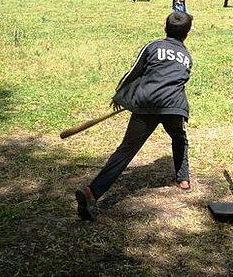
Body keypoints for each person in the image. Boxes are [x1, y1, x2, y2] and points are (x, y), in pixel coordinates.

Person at [75, 12, 194, 221]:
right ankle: (183, 179)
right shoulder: (186, 57)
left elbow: (134, 72)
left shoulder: (153, 46)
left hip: (146, 104)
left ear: (164, 27)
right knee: (179, 138)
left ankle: (92, 192)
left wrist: (120, 94)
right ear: (187, 33)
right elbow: (178, 79)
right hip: (173, 106)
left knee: (126, 150)